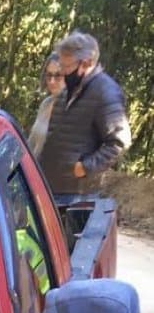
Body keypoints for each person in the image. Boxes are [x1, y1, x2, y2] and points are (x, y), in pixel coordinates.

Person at [38, 30, 131, 196]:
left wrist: (84, 168)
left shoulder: (106, 92)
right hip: (50, 189)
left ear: (86, 63)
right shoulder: (69, 89)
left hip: (78, 196)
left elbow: (119, 142)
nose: (64, 72)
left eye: (67, 67)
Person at [27, 50, 63, 158]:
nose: (52, 81)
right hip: (31, 172)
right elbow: (30, 144)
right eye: (49, 75)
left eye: (58, 76)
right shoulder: (46, 103)